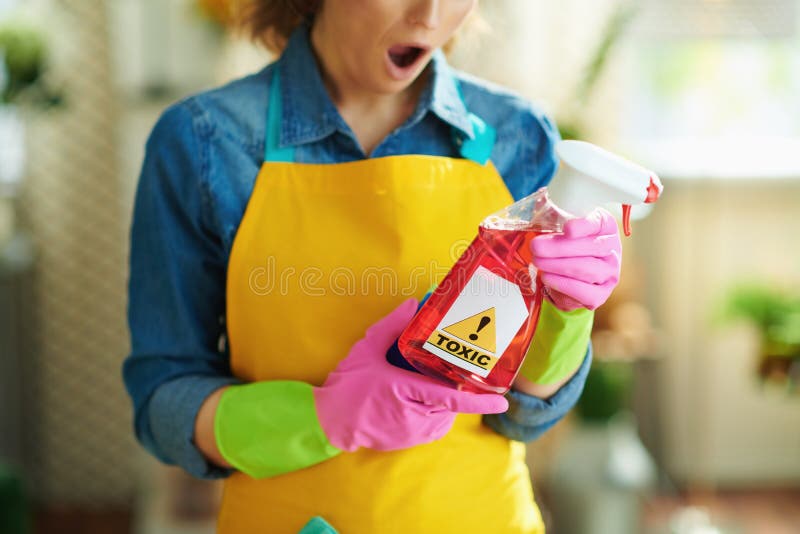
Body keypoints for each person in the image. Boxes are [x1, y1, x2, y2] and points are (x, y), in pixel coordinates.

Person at [122, 1, 622, 533]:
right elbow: (163, 400)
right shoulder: (204, 142)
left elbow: (523, 417)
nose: (430, 15)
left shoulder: (517, 135)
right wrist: (323, 416)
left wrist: (565, 315)